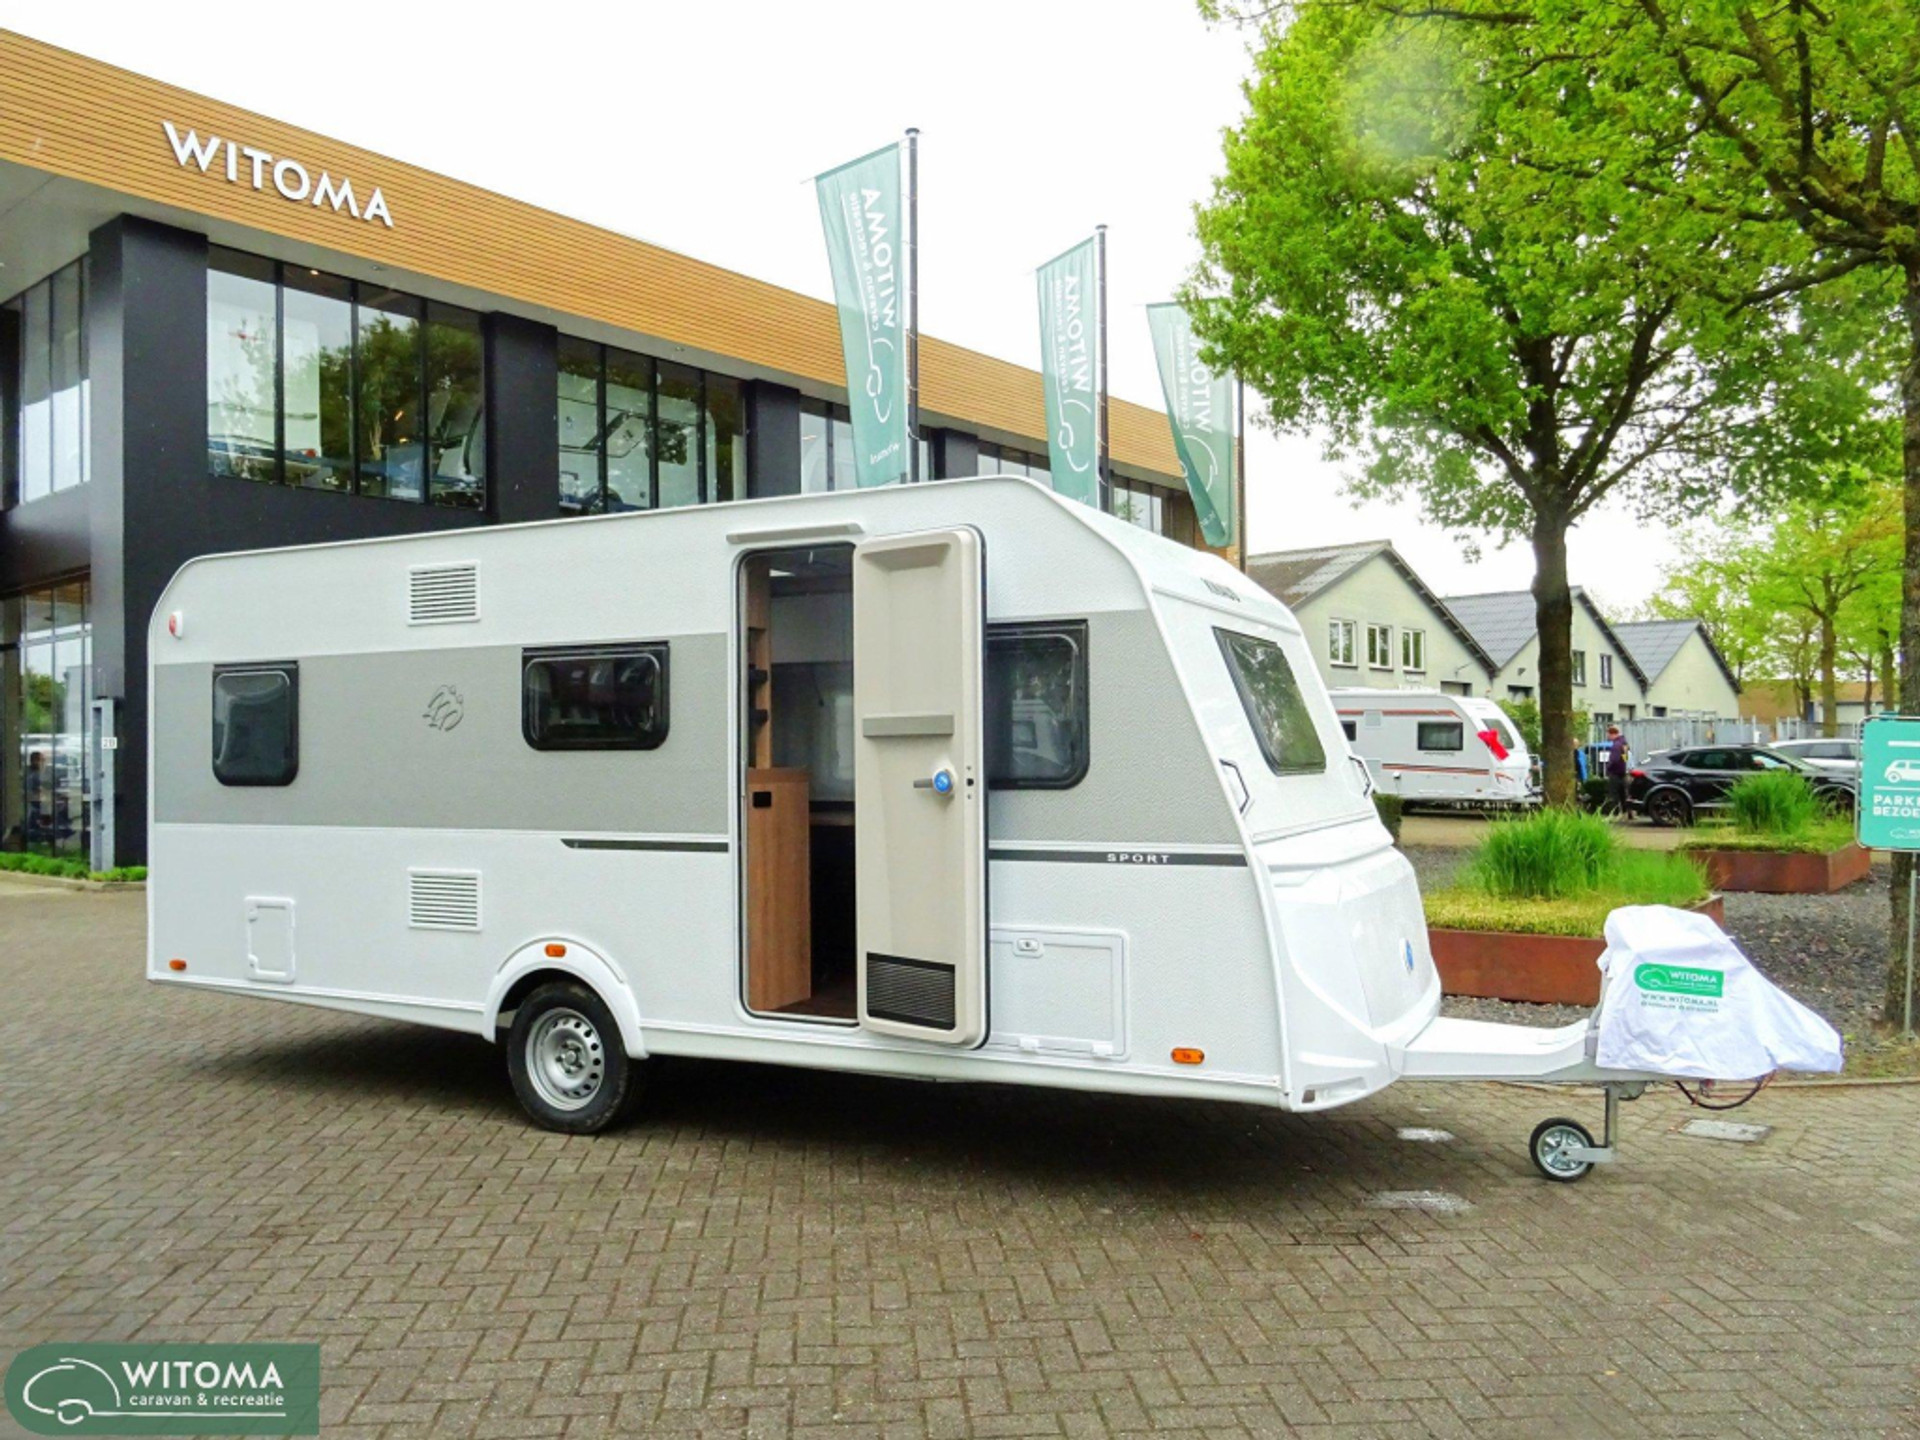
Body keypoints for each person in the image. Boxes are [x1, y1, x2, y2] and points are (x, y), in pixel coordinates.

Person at [1604, 725, 1630, 818]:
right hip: (1623, 772)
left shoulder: (1616, 745)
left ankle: (1614, 814)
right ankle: (1626, 812)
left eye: (1608, 735)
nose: (1608, 737)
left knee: (1613, 794)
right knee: (1623, 794)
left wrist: (1608, 768)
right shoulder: (1624, 744)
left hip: (1615, 773)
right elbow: (1626, 758)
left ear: (1612, 734)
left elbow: (1614, 760)